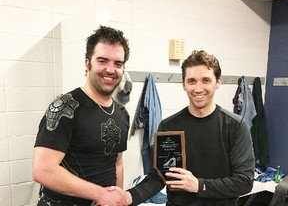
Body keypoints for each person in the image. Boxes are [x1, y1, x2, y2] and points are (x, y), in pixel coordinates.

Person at [121, 50, 255, 206]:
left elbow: (244, 181)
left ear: (218, 82)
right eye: (192, 81)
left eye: (206, 80)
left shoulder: (235, 126)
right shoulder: (168, 126)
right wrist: (128, 197)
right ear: (184, 84)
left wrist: (199, 185)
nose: (198, 89)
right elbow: (159, 177)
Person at [33, 25, 130, 206]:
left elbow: (117, 164)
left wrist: (116, 198)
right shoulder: (65, 107)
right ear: (88, 63)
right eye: (102, 61)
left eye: (118, 63)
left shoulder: (122, 114)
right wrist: (101, 194)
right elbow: (43, 170)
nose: (110, 69)